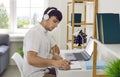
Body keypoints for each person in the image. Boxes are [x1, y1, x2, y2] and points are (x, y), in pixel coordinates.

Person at [23, 7, 70, 77]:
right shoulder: (34, 33)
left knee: (68, 71)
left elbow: (55, 47)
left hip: (43, 70)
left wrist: (56, 55)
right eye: (54, 21)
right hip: (36, 74)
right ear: (46, 17)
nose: (56, 26)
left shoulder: (46, 33)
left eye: (57, 23)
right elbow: (31, 59)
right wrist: (54, 62)